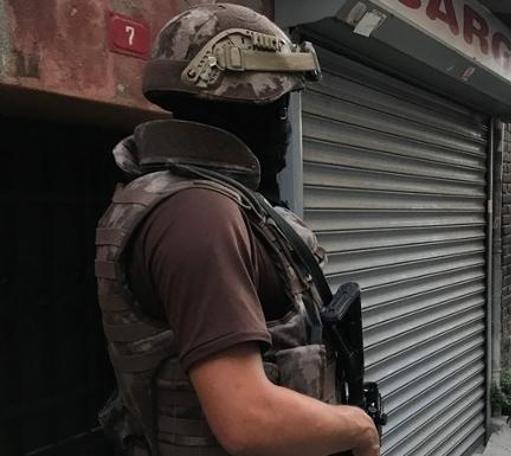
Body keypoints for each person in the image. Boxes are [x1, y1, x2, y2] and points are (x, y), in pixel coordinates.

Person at [93, 4, 380, 456]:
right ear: (243, 112)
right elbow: (247, 418)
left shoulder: (208, 200)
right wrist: (359, 428)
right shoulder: (198, 213)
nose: (286, 130)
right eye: (280, 111)